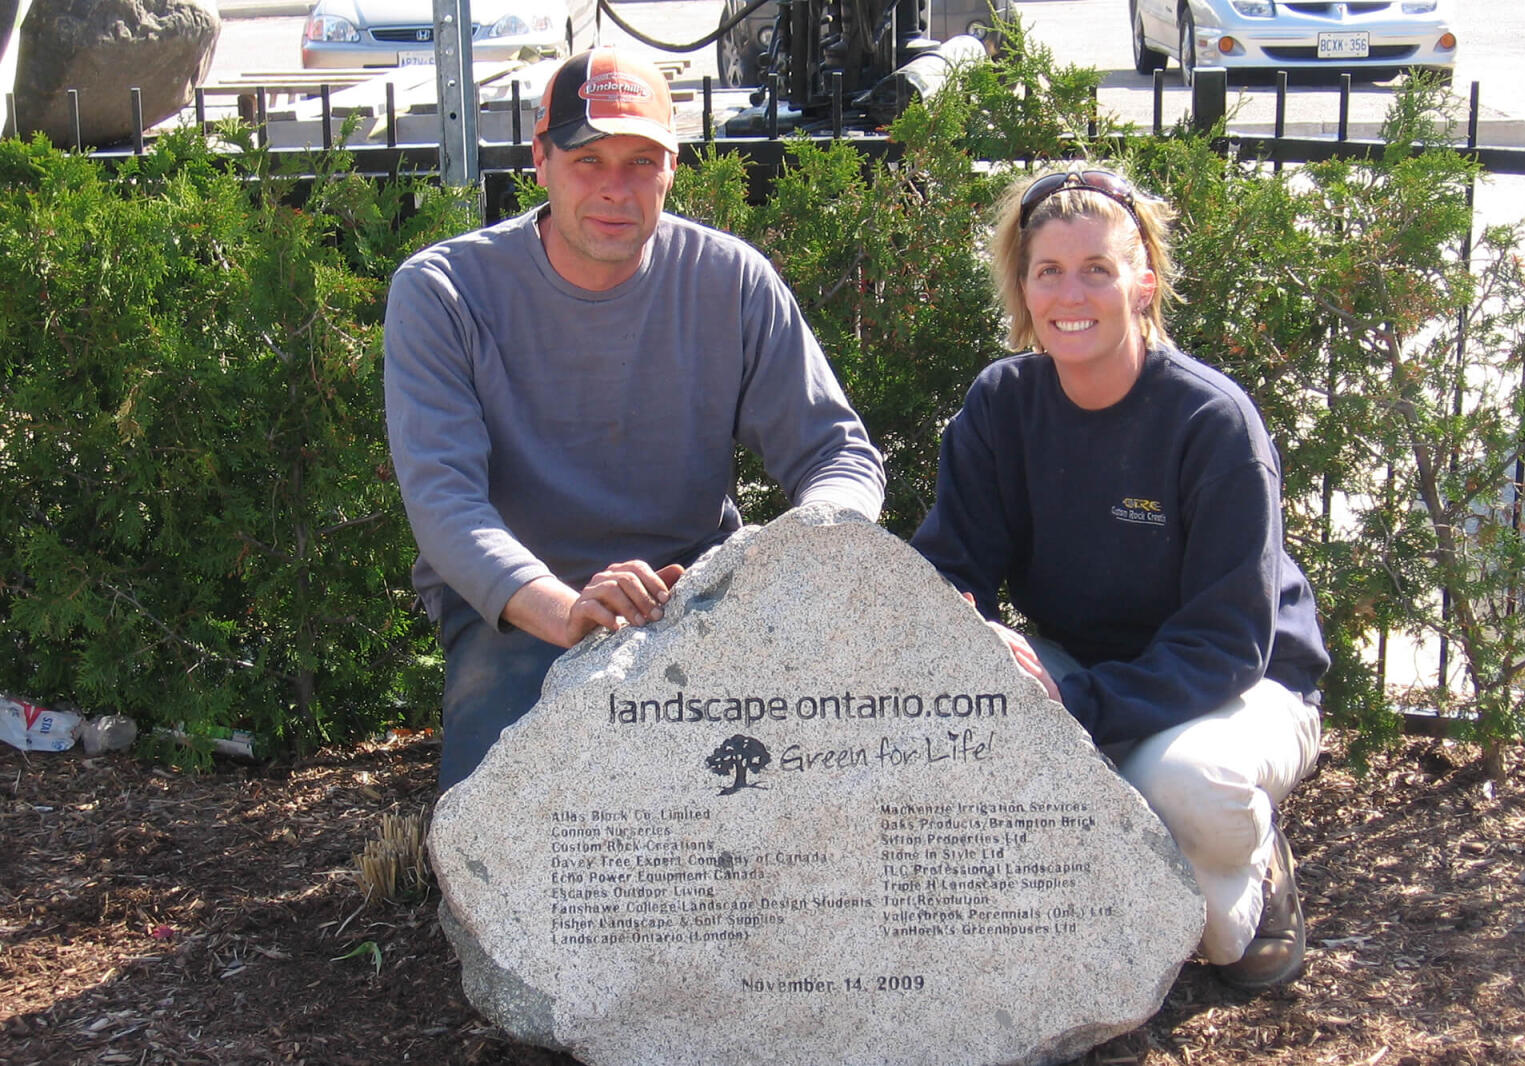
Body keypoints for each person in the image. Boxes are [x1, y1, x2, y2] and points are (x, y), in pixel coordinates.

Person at [383, 47, 885, 794]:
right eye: (589, 160)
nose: (616, 189)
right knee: (510, 824)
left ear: (673, 169)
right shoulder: (444, 292)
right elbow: (445, 503)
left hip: (696, 594)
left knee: (791, 802)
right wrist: (564, 611)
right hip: (521, 613)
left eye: (642, 161)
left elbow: (838, 455)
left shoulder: (730, 280)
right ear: (540, 159)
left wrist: (801, 559)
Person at [910, 166, 1329, 989]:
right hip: (1077, 664)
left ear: (1142, 283)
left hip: (1238, 684)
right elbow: (950, 568)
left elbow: (1228, 640)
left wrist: (1079, 710)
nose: (1074, 293)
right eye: (1049, 271)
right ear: (1023, 289)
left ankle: (1254, 871)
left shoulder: (1212, 422)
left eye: (1098, 269)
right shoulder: (1001, 404)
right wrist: (973, 637)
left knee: (1178, 786)